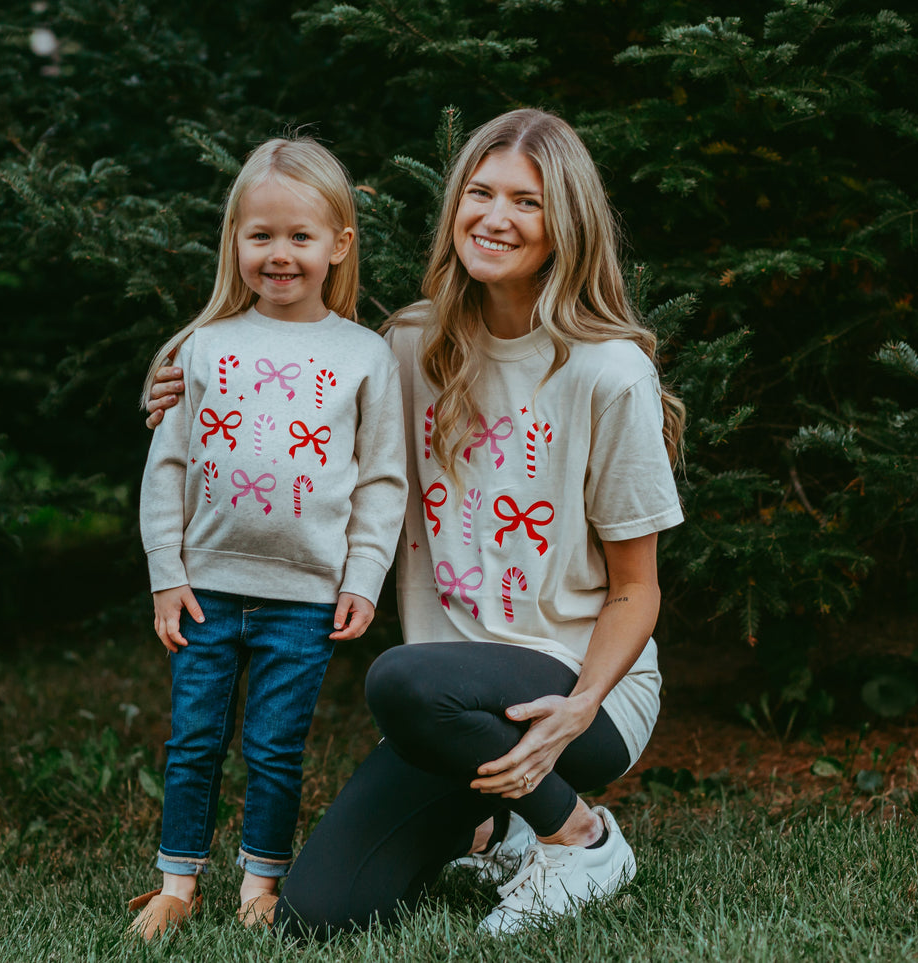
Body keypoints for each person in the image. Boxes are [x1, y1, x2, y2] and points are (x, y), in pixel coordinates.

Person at [145, 108, 684, 936]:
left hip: (578, 693)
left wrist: (577, 708)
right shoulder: (403, 347)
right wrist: (179, 388)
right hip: (446, 712)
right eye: (479, 193)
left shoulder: (609, 373)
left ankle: (578, 837)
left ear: (565, 224)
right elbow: (284, 400)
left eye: (527, 202)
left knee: (401, 677)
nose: (495, 217)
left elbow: (636, 591)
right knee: (318, 914)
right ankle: (497, 826)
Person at [132, 135, 407, 940]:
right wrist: (165, 570)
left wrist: (362, 577)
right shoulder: (202, 346)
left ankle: (261, 884)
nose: (279, 254)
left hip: (305, 598)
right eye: (260, 236)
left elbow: (382, 478)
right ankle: (176, 882)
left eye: (300, 237)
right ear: (235, 242)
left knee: (275, 748)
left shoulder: (364, 355)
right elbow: (167, 465)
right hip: (206, 590)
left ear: (337, 246)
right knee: (193, 741)